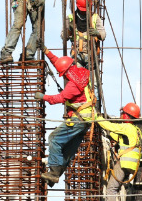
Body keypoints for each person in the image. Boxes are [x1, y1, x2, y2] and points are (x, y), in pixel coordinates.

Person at [36, 47, 95, 186]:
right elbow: (60, 62)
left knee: (54, 139)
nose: (62, 76)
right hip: (85, 120)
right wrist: (46, 52)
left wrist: (43, 97)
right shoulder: (80, 73)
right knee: (68, 150)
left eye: (62, 74)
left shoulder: (73, 85)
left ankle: (54, 172)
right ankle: (55, 175)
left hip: (78, 119)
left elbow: (59, 98)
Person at [98, 103, 142, 196]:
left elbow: (111, 127)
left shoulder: (126, 127)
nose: (121, 114)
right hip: (133, 165)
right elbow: (120, 138)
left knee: (111, 189)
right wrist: (108, 133)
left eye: (123, 112)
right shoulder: (137, 130)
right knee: (123, 188)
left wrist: (97, 118)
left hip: (124, 163)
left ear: (127, 115)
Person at [61, 0, 106, 69]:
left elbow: (103, 35)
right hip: (77, 56)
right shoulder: (71, 18)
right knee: (79, 79)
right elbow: (63, 37)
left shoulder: (95, 17)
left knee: (92, 80)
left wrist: (97, 33)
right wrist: (69, 30)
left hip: (92, 55)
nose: (83, 12)